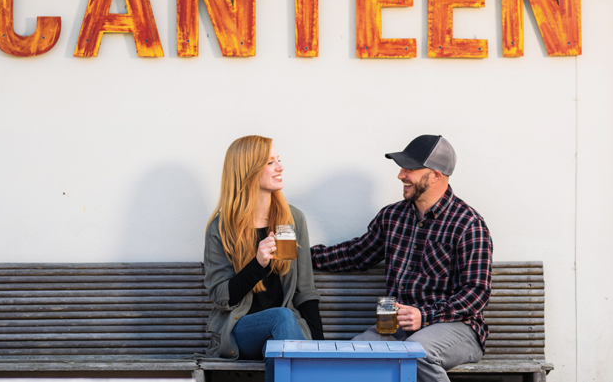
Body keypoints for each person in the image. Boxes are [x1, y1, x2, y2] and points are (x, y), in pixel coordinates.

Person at [310, 135, 492, 382]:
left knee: (416, 353)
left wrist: (424, 315)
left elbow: (476, 292)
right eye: (401, 168)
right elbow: (355, 254)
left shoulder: (468, 224)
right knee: (351, 355)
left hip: (458, 327)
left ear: (436, 175)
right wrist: (301, 256)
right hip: (396, 327)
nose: (401, 175)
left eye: (410, 169)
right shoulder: (392, 216)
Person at [201, 135, 323, 382]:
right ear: (248, 170)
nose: (280, 167)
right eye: (270, 162)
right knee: (281, 317)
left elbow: (305, 291)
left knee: (280, 342)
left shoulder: (292, 219)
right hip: (240, 330)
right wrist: (257, 264)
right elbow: (220, 296)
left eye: (279, 160)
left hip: (284, 333)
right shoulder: (222, 228)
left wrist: (320, 348)